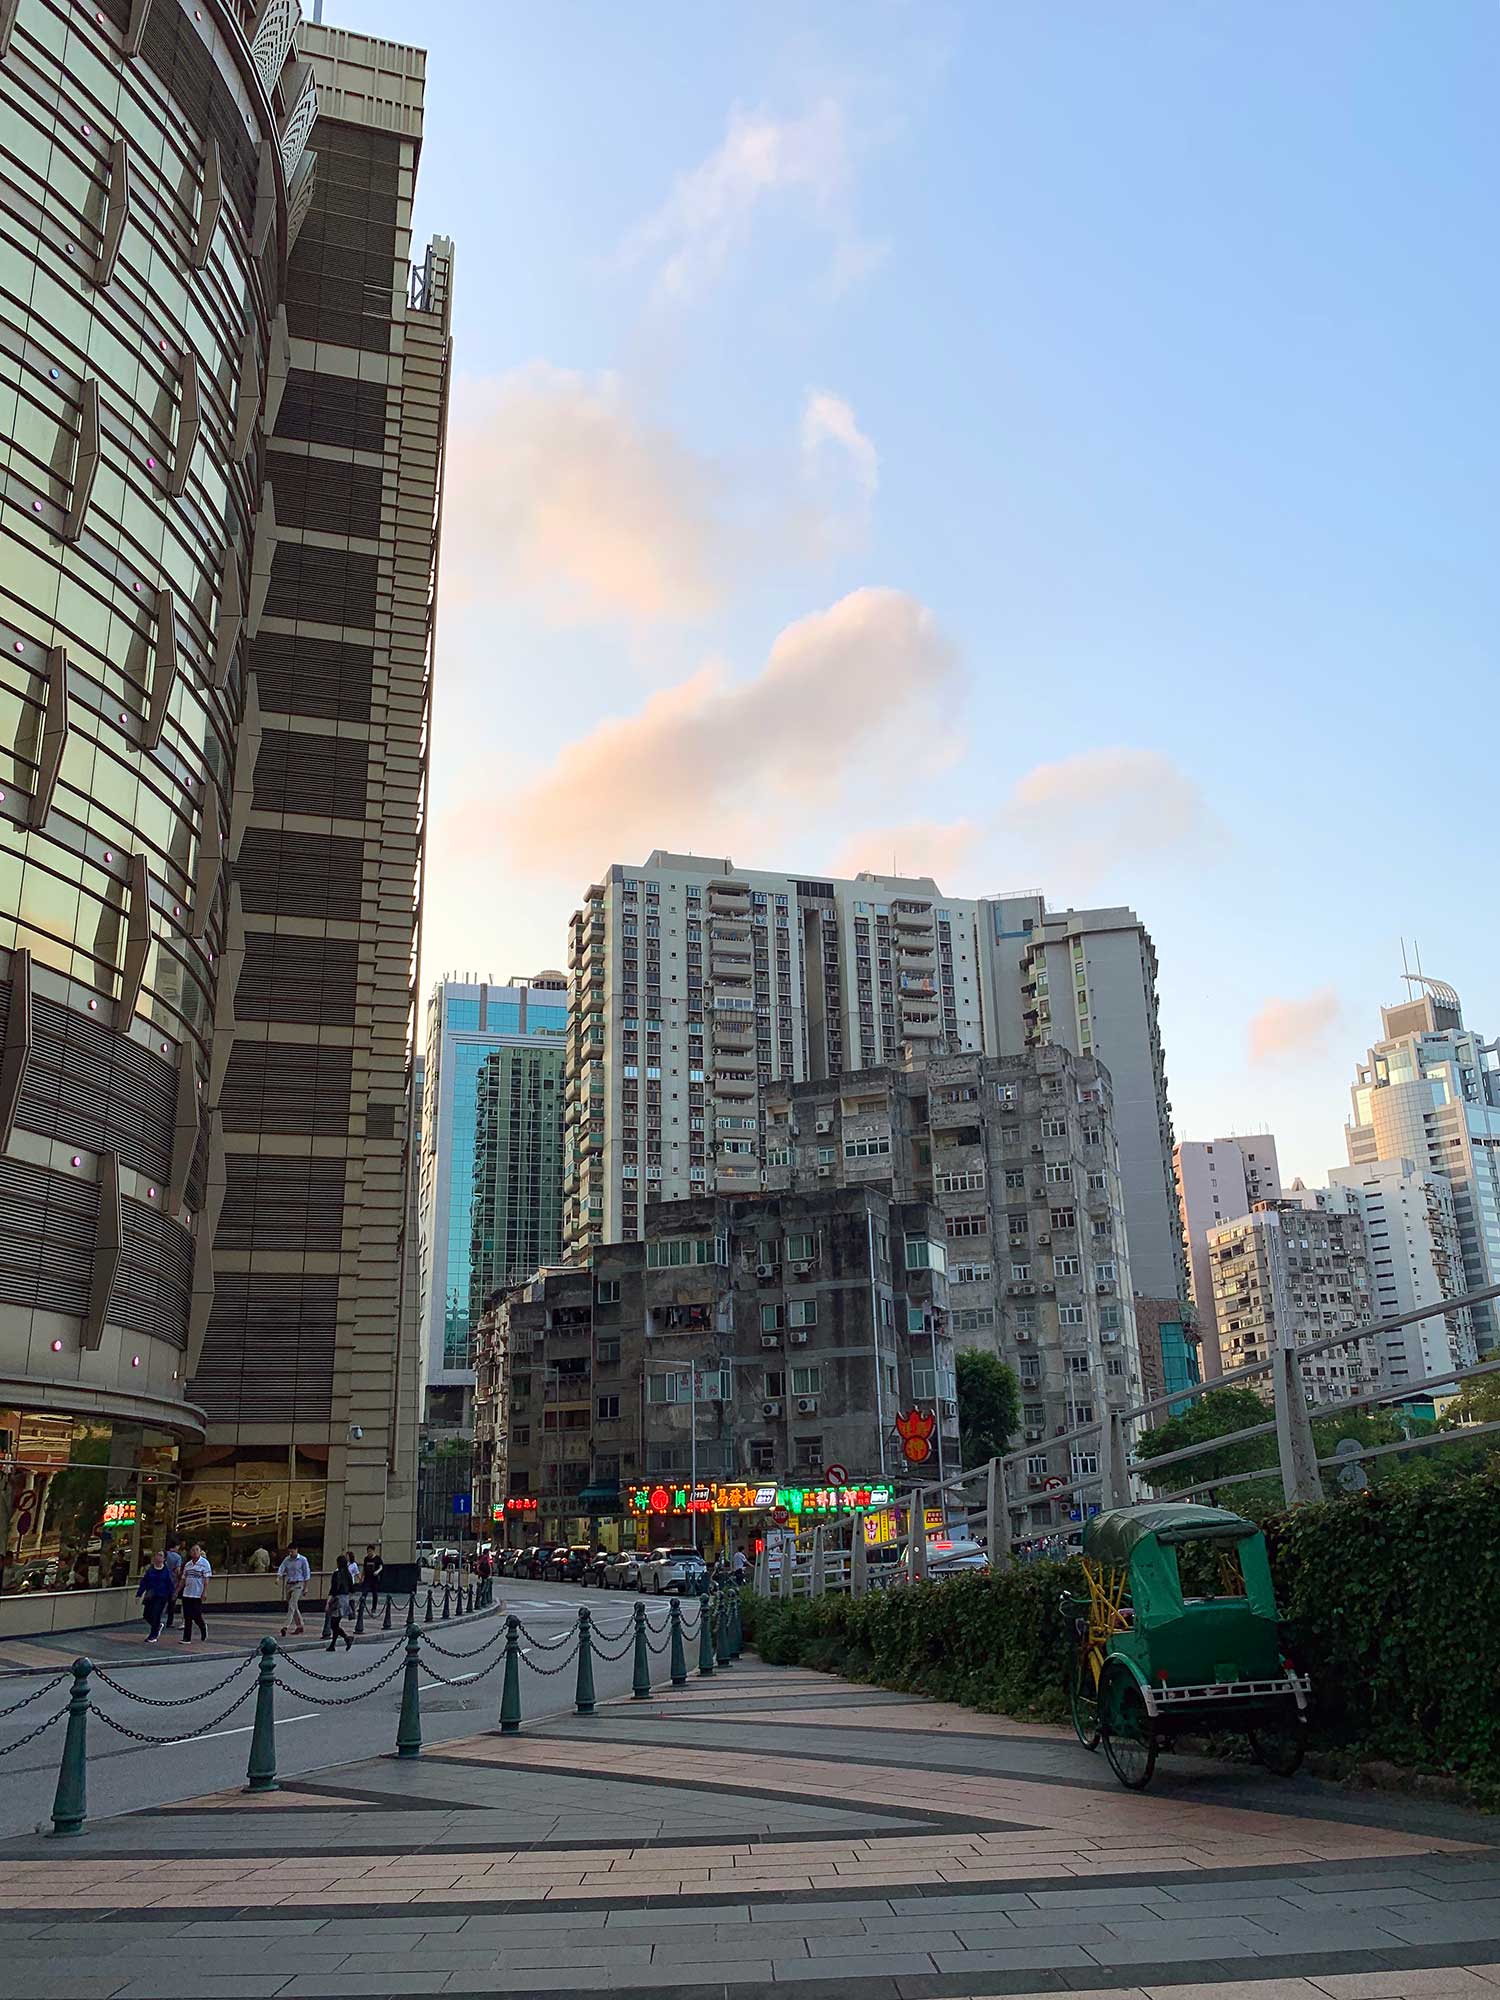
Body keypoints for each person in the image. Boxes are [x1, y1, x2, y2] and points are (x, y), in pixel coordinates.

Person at [136, 1551, 174, 1643]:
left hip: (161, 1596)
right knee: (147, 1614)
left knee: (156, 1613)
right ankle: (157, 1626)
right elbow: (144, 1582)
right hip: (150, 1595)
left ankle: (153, 1635)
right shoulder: (151, 1570)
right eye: (157, 1555)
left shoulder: (166, 1571)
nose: (158, 1557)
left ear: (164, 1559)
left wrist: (172, 1595)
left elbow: (170, 1584)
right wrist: (139, 1594)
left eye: (161, 1555)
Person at [177, 1542, 211, 1643]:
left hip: (197, 1593)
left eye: (197, 1550)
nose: (195, 1552)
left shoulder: (204, 1563)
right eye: (193, 1550)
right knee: (187, 1616)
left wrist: (204, 1592)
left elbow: (206, 1579)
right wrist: (177, 1590)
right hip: (187, 1593)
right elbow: (183, 1579)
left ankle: (202, 1627)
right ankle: (187, 1638)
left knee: (196, 1615)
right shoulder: (188, 1565)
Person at [278, 1544, 310, 1636]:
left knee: (292, 1605)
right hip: (289, 1584)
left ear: (296, 1550)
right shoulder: (287, 1559)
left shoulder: (303, 1560)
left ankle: (285, 1626)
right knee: (293, 1605)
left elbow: (306, 1573)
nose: (290, 1553)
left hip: (298, 1584)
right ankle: (300, 1626)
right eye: (289, 1552)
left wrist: (306, 1587)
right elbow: (282, 1568)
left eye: (292, 1551)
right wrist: (278, 1577)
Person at [325, 1554, 356, 1652]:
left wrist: (328, 1602)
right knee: (335, 1623)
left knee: (334, 1624)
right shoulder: (348, 1574)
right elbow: (352, 1588)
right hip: (345, 1599)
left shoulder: (336, 1574)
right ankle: (333, 1645)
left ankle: (347, 1638)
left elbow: (333, 1589)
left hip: (338, 1599)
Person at [161, 1537, 182, 1628]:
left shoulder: (164, 1554)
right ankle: (170, 1622)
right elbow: (177, 1571)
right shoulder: (177, 1557)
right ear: (176, 1546)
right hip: (172, 1583)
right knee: (171, 1604)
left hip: (162, 1582)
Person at [360, 1544, 383, 1613]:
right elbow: (364, 1568)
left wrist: (377, 1571)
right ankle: (362, 1606)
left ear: (373, 1551)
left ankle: (374, 1608)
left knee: (374, 1593)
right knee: (364, 1592)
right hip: (367, 1578)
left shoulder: (377, 1558)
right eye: (368, 1551)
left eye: (370, 1551)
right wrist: (361, 1577)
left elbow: (381, 1567)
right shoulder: (366, 1559)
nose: (369, 1553)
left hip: (374, 1579)